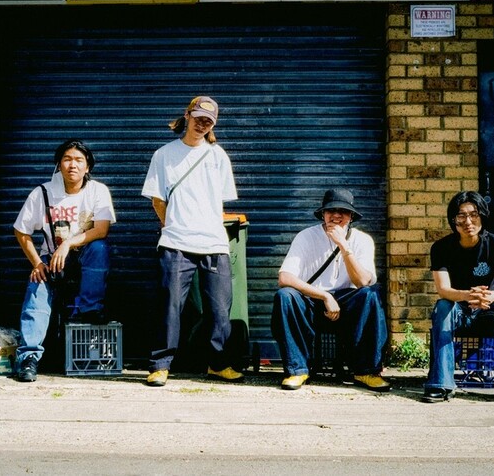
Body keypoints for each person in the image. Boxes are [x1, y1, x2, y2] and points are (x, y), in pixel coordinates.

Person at [142, 96, 243, 387]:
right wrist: (174, 225)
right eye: (198, 118)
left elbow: (219, 202)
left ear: (213, 124)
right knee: (170, 306)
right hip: (176, 242)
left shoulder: (218, 156)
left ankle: (218, 364)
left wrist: (205, 225)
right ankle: (160, 365)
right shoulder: (164, 154)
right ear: (187, 115)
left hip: (214, 243)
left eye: (208, 121)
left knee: (219, 308)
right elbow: (157, 200)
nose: (202, 124)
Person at [14, 138, 116, 382]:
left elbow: (101, 229)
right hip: (52, 258)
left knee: (100, 247)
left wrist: (68, 243)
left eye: (79, 160)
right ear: (59, 164)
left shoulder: (97, 190)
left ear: (87, 167)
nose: (73, 165)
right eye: (67, 159)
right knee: (37, 285)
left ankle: (90, 310)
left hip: (85, 255)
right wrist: (37, 263)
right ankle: (29, 358)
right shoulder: (43, 193)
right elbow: (21, 230)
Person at [271, 188, 390, 391]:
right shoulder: (306, 236)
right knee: (285, 296)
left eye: (342, 211)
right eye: (330, 211)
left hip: (348, 306)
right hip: (313, 302)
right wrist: (325, 296)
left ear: (351, 216)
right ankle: (297, 370)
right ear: (323, 214)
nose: (336, 215)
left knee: (370, 295)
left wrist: (343, 245)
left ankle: (366, 371)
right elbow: (285, 277)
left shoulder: (362, 240)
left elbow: (363, 281)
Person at [423, 191, 494, 405]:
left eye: (474, 214)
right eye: (461, 216)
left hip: (488, 311)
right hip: (458, 311)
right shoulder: (441, 248)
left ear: (482, 216)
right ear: (453, 220)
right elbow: (443, 289)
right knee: (443, 306)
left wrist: (487, 297)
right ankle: (441, 383)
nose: (468, 221)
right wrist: (468, 295)